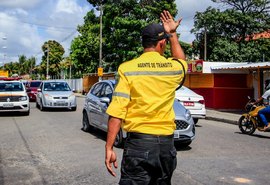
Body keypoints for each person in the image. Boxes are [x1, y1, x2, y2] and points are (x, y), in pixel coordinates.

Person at [104, 10, 187, 184]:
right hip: (166, 147)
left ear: (143, 43)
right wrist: (173, 34)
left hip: (138, 145)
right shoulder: (171, 69)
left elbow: (117, 111)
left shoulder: (127, 68)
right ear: (162, 43)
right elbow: (182, 61)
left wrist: (109, 147)